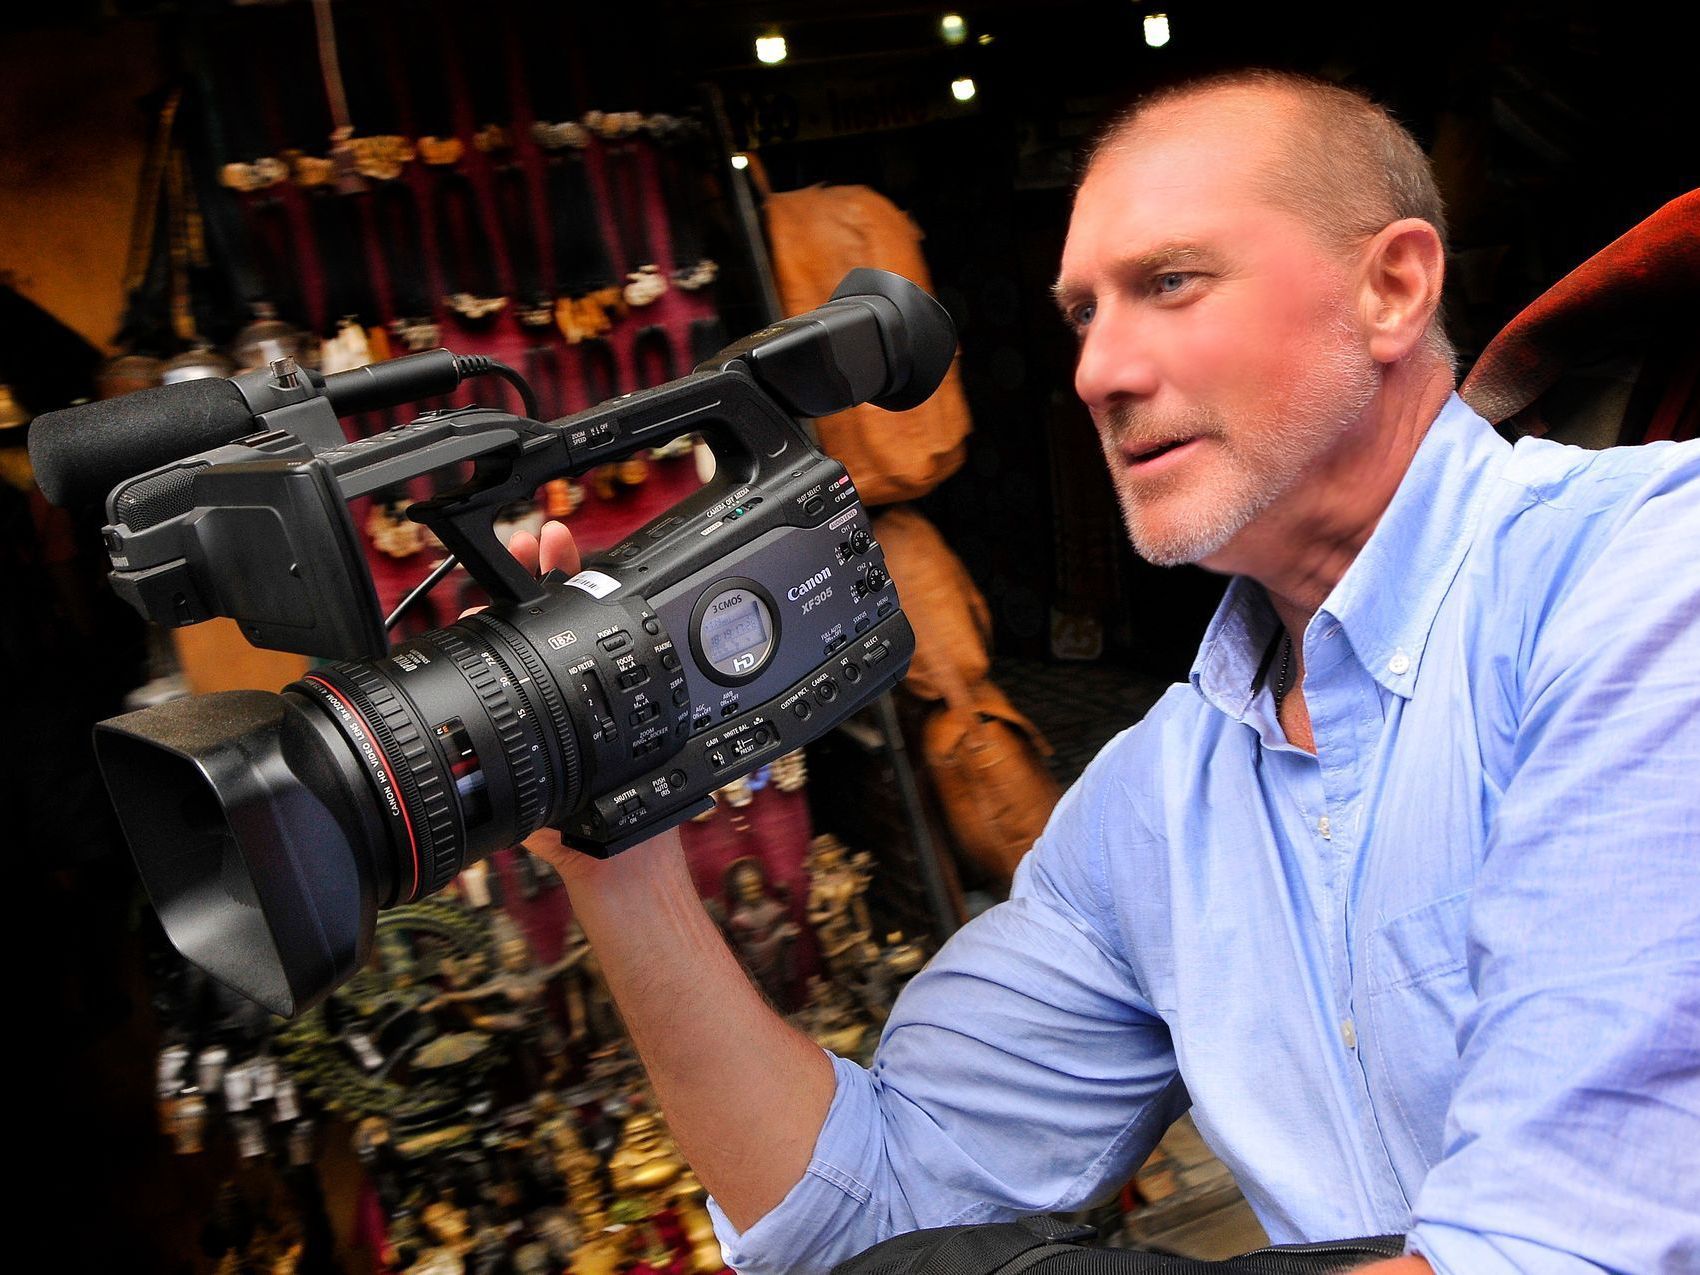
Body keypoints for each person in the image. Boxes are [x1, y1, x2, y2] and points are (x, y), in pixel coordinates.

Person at [517, 70, 1700, 1275]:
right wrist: (621, 865)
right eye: (1084, 314)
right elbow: (864, 1208)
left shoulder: (1640, 584)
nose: (1096, 372)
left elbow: (1563, 1251)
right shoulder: (1157, 805)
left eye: (1169, 283)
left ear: (1389, 286)